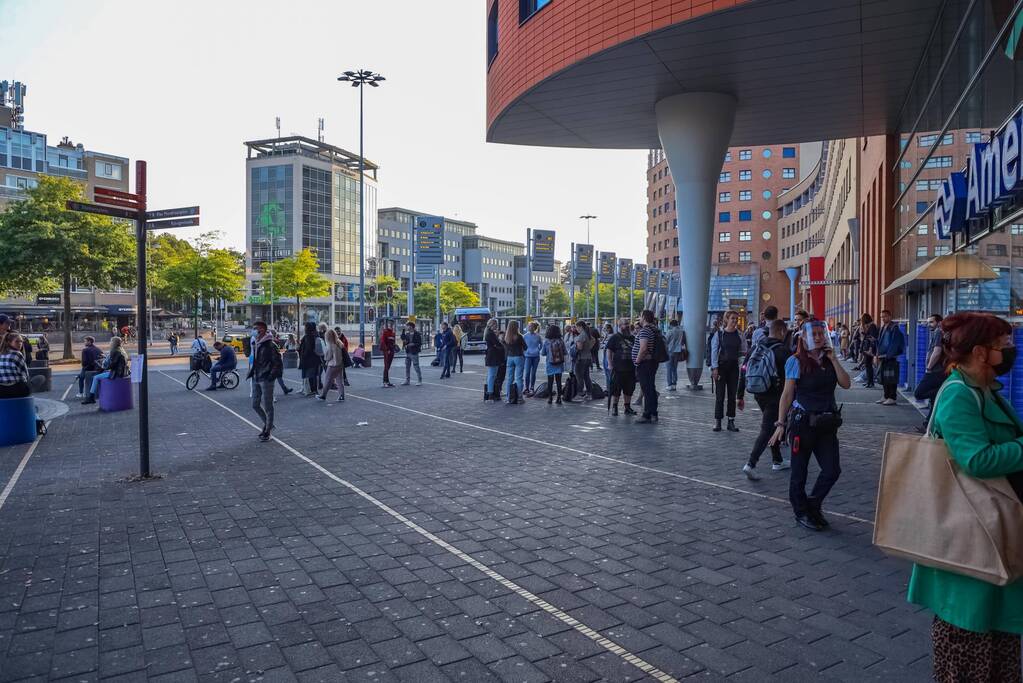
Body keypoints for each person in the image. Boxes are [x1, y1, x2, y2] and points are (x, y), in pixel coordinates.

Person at [906, 312, 1023, 682]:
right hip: (969, 535)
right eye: (1003, 344)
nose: (1011, 350)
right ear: (979, 352)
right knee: (969, 639)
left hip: (992, 530)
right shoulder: (959, 393)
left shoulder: (985, 389)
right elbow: (976, 459)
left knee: (998, 643)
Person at [769, 320, 851, 531]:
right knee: (799, 472)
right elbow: (787, 394)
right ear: (802, 338)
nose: (817, 337)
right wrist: (780, 423)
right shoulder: (795, 361)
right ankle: (801, 512)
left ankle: (812, 505)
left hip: (826, 423)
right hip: (803, 424)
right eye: (812, 334)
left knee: (832, 470)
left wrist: (834, 359)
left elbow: (846, 383)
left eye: (820, 333)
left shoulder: (828, 360)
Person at [739, 319, 790, 479]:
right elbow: (792, 378)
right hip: (777, 396)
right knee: (767, 429)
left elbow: (743, 370)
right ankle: (751, 464)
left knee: (772, 424)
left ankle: (777, 460)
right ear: (782, 331)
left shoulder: (756, 347)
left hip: (758, 392)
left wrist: (739, 396)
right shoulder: (784, 351)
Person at [710, 310, 748, 432]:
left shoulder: (740, 335)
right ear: (726, 319)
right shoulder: (719, 334)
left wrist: (741, 364)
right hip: (721, 368)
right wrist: (714, 368)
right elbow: (714, 352)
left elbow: (744, 351)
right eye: (732, 318)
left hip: (733, 368)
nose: (735, 321)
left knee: (732, 396)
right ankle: (718, 421)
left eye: (736, 319)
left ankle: (731, 421)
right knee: (720, 396)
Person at [248, 321, 282, 441]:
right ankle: (269, 425)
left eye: (255, 328)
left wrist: (271, 376)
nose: (253, 331)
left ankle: (267, 431)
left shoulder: (270, 345)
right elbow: (251, 357)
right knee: (255, 404)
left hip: (266, 377)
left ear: (262, 329)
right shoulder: (256, 342)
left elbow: (277, 362)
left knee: (268, 405)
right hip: (256, 376)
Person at [913, 313, 945, 432]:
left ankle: (940, 392)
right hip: (938, 371)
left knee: (918, 393)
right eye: (928, 322)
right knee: (933, 402)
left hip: (935, 371)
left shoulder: (938, 332)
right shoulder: (938, 332)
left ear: (939, 322)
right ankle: (928, 426)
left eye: (931, 322)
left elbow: (937, 351)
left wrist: (929, 368)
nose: (928, 324)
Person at [632, 310, 661, 423]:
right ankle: (653, 412)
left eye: (640, 316)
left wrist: (637, 361)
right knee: (650, 387)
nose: (639, 318)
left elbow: (643, 348)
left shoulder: (645, 331)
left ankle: (647, 414)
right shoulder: (654, 329)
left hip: (645, 364)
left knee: (647, 388)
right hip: (651, 363)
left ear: (643, 317)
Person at [81, 337, 129, 405]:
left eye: (111, 342)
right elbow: (116, 361)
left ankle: (91, 397)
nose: (110, 343)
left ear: (114, 343)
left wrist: (103, 366)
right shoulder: (121, 350)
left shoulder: (114, 351)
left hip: (117, 373)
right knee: (100, 375)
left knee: (96, 377)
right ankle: (92, 397)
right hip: (123, 372)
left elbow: (112, 364)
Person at [606, 318, 637, 416]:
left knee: (629, 388)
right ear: (620, 326)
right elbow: (609, 350)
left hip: (631, 368)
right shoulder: (615, 337)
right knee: (616, 389)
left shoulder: (632, 338)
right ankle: (615, 407)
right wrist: (610, 364)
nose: (627, 326)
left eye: (628, 323)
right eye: (625, 324)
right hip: (618, 368)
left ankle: (627, 407)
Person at [0, 332, 46, 398]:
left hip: (1, 392)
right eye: (17, 342)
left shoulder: (1, 354)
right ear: (9, 342)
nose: (20, 344)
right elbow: (25, 375)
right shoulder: (17, 354)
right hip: (17, 391)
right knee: (41, 377)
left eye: (21, 341)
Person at [875, 309, 905, 406]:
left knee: (891, 378)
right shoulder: (883, 327)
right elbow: (880, 342)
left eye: (885, 316)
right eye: (882, 317)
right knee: (884, 377)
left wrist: (889, 355)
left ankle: (892, 397)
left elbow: (894, 343)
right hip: (883, 356)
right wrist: (877, 354)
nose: (883, 318)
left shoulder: (894, 328)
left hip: (890, 357)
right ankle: (885, 396)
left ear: (889, 316)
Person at [317, 329, 347, 402]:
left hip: (332, 365)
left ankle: (323, 395)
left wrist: (324, 356)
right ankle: (341, 396)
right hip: (339, 364)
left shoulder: (331, 345)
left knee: (327, 380)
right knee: (339, 380)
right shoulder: (339, 343)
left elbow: (328, 357)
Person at [541, 324, 566, 405]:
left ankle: (550, 398)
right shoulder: (561, 341)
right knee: (559, 381)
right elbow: (565, 352)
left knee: (550, 381)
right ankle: (559, 398)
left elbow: (543, 353)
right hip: (559, 363)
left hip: (550, 363)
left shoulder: (547, 341)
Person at [503, 320, 526, 403]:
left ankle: (509, 398)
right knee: (519, 378)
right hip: (519, 357)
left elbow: (505, 348)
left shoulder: (506, 337)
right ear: (517, 327)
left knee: (509, 379)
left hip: (510, 358)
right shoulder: (519, 336)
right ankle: (520, 398)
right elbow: (525, 347)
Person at [484, 318, 505, 402]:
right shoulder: (490, 334)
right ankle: (490, 393)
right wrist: (500, 345)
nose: (496, 326)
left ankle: (491, 392)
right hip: (493, 357)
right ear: (491, 325)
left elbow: (497, 345)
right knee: (492, 375)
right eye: (495, 325)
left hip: (492, 356)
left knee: (492, 375)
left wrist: (498, 345)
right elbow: (498, 344)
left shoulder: (489, 333)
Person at [298, 322, 322, 396]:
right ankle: (314, 389)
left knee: (309, 375)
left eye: (305, 327)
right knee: (314, 375)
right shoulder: (316, 335)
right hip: (316, 359)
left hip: (308, 359)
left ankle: (310, 390)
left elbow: (308, 349)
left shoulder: (308, 336)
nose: (304, 328)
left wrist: (303, 354)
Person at [574, 321, 595, 400]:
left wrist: (576, 343)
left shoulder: (581, 335)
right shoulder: (588, 335)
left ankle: (580, 393)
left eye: (577, 327)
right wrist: (589, 347)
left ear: (581, 327)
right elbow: (594, 340)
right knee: (586, 376)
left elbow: (580, 347)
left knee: (579, 376)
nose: (576, 329)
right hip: (588, 357)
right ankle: (589, 393)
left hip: (581, 358)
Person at [664, 319, 687, 391]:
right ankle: (674, 384)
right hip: (678, 352)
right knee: (674, 368)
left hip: (670, 351)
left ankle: (669, 384)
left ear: (671, 325)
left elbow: (666, 341)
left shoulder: (670, 331)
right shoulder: (681, 332)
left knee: (669, 369)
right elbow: (683, 341)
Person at [859, 313, 879, 388]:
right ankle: (869, 381)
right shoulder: (870, 326)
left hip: (869, 349)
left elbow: (872, 338)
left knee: (868, 365)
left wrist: (870, 349)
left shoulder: (872, 326)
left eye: (862, 319)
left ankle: (870, 382)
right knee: (867, 365)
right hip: (867, 348)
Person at [401, 321, 423, 386]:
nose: (406, 327)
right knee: (407, 367)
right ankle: (407, 380)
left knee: (416, 367)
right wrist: (405, 343)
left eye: (407, 326)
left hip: (414, 353)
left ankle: (419, 380)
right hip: (408, 352)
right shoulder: (407, 334)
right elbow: (405, 341)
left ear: (411, 326)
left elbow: (419, 343)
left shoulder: (417, 334)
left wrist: (413, 344)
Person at [523, 321, 542, 396]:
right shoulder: (525, 336)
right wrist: (525, 352)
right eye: (528, 326)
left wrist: (538, 350)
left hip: (536, 356)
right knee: (527, 373)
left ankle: (532, 387)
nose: (529, 327)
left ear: (534, 328)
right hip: (527, 356)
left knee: (533, 373)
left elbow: (541, 344)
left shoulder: (538, 336)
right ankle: (526, 388)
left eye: (531, 326)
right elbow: (522, 345)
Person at [380, 321, 396, 387]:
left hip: (391, 351)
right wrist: (387, 350)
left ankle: (387, 381)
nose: (391, 325)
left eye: (392, 324)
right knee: (386, 366)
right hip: (387, 351)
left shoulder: (393, 332)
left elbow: (393, 342)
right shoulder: (385, 332)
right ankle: (384, 382)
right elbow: (383, 342)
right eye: (390, 324)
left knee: (388, 367)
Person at [600, 323, 614, 389]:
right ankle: (608, 387)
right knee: (606, 373)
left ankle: (610, 388)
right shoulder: (607, 336)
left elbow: (607, 346)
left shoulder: (611, 336)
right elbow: (602, 344)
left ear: (609, 329)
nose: (604, 330)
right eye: (604, 329)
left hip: (609, 356)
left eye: (605, 328)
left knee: (609, 373)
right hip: (605, 354)